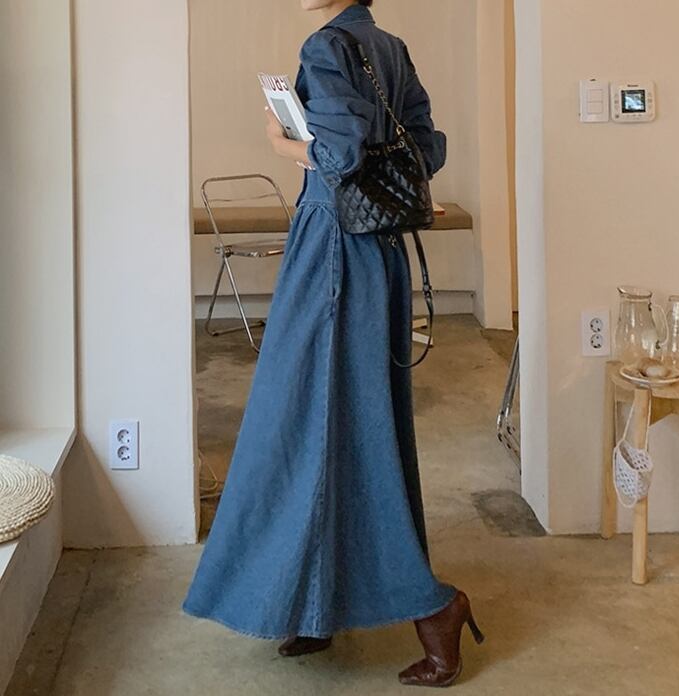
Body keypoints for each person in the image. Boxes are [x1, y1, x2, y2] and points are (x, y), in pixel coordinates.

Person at [183, 0, 483, 687]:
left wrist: (281, 141)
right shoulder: (389, 45)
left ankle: (433, 606)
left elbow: (337, 155)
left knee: (303, 423)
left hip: (333, 253)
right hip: (378, 251)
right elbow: (428, 149)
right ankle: (318, 600)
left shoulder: (325, 47)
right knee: (352, 422)